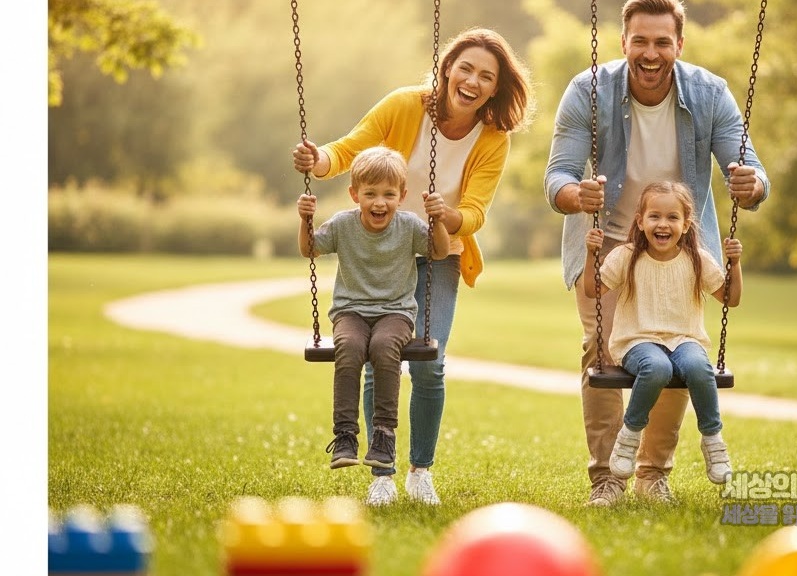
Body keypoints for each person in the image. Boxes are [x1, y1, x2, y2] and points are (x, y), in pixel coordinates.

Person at [293, 27, 534, 506]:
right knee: (372, 357)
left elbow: (477, 211)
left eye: (486, 76)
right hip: (386, 248)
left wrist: (447, 216)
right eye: (465, 68)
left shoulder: (493, 138)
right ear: (446, 69)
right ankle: (381, 473)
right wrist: (317, 159)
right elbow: (349, 148)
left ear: (495, 87)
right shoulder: (406, 105)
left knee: (429, 362)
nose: (472, 81)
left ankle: (420, 470)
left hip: (440, 252)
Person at [544, 0, 770, 506]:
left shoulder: (710, 94)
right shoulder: (588, 90)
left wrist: (749, 183)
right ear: (623, 43)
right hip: (608, 246)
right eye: (640, 41)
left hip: (678, 251)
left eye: (662, 42)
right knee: (600, 353)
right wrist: (575, 195)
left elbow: (750, 169)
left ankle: (652, 473)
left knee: (677, 356)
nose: (651, 53)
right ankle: (607, 478)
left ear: (679, 45)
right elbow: (556, 175)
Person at [297, 146, 450, 505]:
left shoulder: (411, 226)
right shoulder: (343, 225)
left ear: (402, 196)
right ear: (355, 195)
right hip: (351, 311)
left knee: (384, 349)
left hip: (395, 312)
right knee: (348, 350)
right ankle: (346, 436)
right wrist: (304, 220)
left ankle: (383, 436)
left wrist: (438, 219)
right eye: (370, 194)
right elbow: (310, 250)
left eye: (388, 194)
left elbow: (439, 252)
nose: (379, 202)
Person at [584, 181, 742, 489]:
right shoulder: (625, 256)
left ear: (685, 225)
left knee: (699, 367)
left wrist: (734, 263)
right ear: (640, 221)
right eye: (654, 216)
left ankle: (713, 440)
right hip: (636, 341)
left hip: (685, 340)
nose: (663, 224)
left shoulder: (697, 258)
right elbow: (593, 289)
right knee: (657, 368)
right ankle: (629, 439)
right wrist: (591, 254)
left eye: (672, 217)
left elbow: (730, 298)